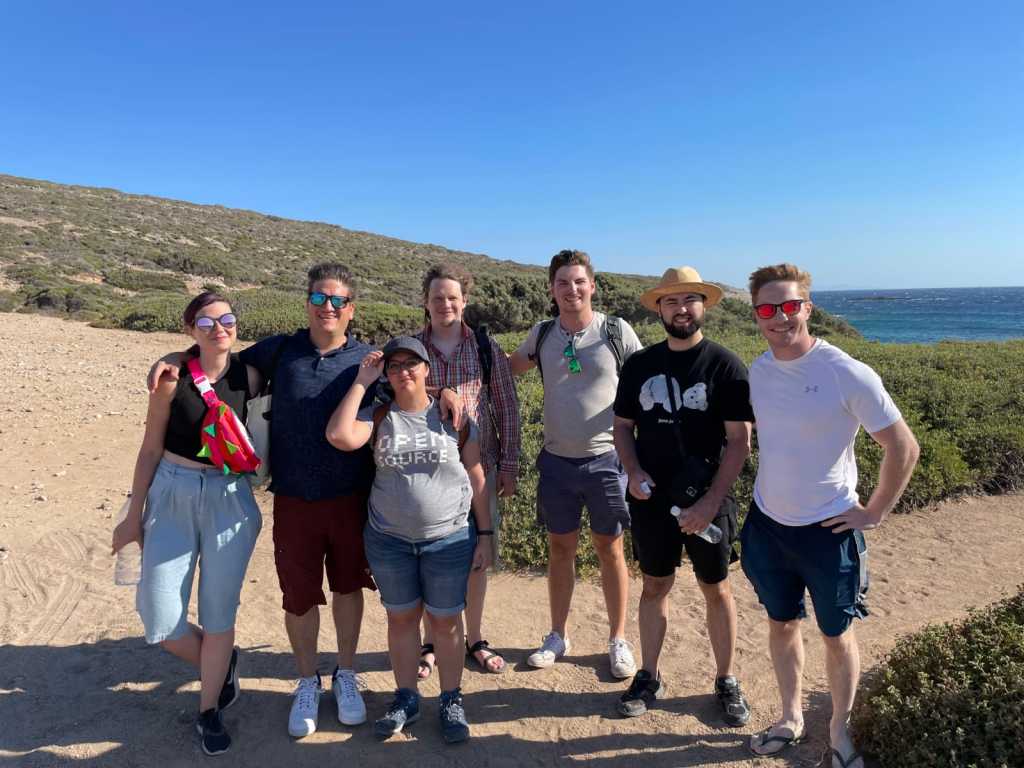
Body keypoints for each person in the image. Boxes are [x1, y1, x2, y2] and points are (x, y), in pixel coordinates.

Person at [145, 264, 462, 738]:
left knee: (348, 589)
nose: (327, 307)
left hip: (352, 497)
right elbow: (218, 356)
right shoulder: (281, 349)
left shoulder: (367, 360)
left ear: (351, 308)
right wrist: (173, 354)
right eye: (319, 299)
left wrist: (445, 390)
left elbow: (406, 386)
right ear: (307, 303)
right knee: (298, 597)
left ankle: (346, 673)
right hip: (293, 498)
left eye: (337, 300)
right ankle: (307, 681)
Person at [742, 264, 919, 768]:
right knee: (781, 624)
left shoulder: (846, 372)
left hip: (829, 531)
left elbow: (904, 447)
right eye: (768, 308)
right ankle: (790, 716)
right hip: (768, 525)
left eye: (790, 306)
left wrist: (875, 511)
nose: (780, 317)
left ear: (808, 308)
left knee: (837, 636)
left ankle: (840, 731)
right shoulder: (759, 369)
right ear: (756, 315)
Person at [113, 292, 262, 756]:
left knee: (218, 614)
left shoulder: (251, 375)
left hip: (230, 499)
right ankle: (223, 665)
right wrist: (133, 515)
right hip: (172, 491)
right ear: (189, 329)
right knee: (160, 619)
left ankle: (209, 709)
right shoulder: (171, 379)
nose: (219, 328)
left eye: (227, 319)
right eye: (206, 322)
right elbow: (149, 449)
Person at [326, 336, 493, 744]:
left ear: (426, 368)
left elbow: (476, 476)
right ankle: (407, 698)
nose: (403, 371)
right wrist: (363, 380)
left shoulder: (454, 415)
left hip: (448, 538)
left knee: (446, 622)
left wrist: (486, 533)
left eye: (411, 363)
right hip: (389, 540)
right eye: (394, 365)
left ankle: (451, 699)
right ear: (386, 373)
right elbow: (339, 435)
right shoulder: (379, 415)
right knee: (401, 619)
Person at [612, 267, 753, 725]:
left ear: (703, 305)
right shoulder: (639, 366)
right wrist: (633, 471)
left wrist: (710, 503)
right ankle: (648, 675)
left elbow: (739, 442)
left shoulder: (726, 366)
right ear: (659, 309)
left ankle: (726, 679)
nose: (681, 309)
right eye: (670, 301)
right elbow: (622, 427)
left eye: (690, 299)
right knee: (655, 586)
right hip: (651, 499)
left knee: (717, 588)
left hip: (709, 497)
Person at [509, 249, 643, 678]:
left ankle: (618, 639)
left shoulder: (616, 331)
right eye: (563, 282)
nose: (572, 290)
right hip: (556, 463)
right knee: (560, 549)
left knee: (611, 549)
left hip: (607, 460)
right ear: (552, 289)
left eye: (579, 281)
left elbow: (644, 382)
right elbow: (508, 369)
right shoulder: (543, 334)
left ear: (593, 286)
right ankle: (558, 635)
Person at [414, 263, 521, 678]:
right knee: (429, 557)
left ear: (465, 301)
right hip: (427, 472)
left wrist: (509, 465)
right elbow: (392, 390)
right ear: (425, 302)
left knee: (479, 554)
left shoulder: (485, 348)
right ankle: (431, 641)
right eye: (437, 297)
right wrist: (437, 390)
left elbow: (507, 407)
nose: (445, 304)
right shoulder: (411, 349)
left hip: (481, 469)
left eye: (452, 297)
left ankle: (473, 638)